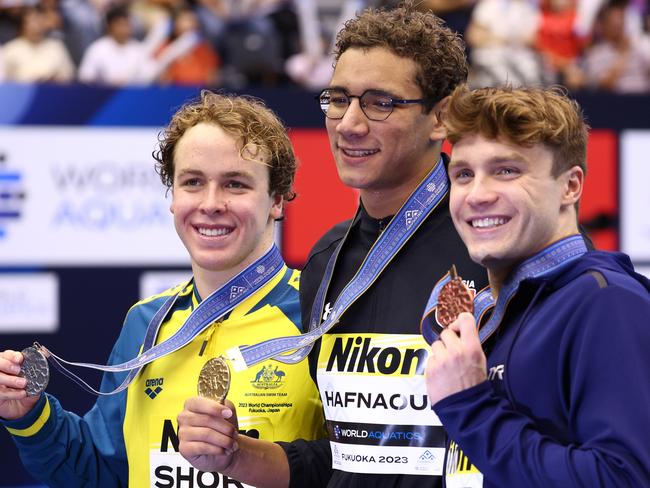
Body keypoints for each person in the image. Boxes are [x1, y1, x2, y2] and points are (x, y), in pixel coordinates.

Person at [176, 3, 489, 487]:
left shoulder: (494, 245)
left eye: (381, 102)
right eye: (338, 99)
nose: (349, 124)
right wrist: (235, 456)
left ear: (441, 117)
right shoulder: (326, 261)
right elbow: (343, 459)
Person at [0, 92, 325, 487]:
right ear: (173, 197)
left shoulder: (318, 314)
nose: (211, 203)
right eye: (192, 182)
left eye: (235, 184)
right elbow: (101, 471)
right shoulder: (146, 322)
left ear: (276, 200)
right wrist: (29, 415)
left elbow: (357, 469)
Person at [425, 84, 650, 487]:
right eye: (463, 175)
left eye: (506, 170)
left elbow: (623, 479)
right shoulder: (500, 311)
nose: (476, 195)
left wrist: (470, 407)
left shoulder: (605, 303)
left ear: (571, 186)